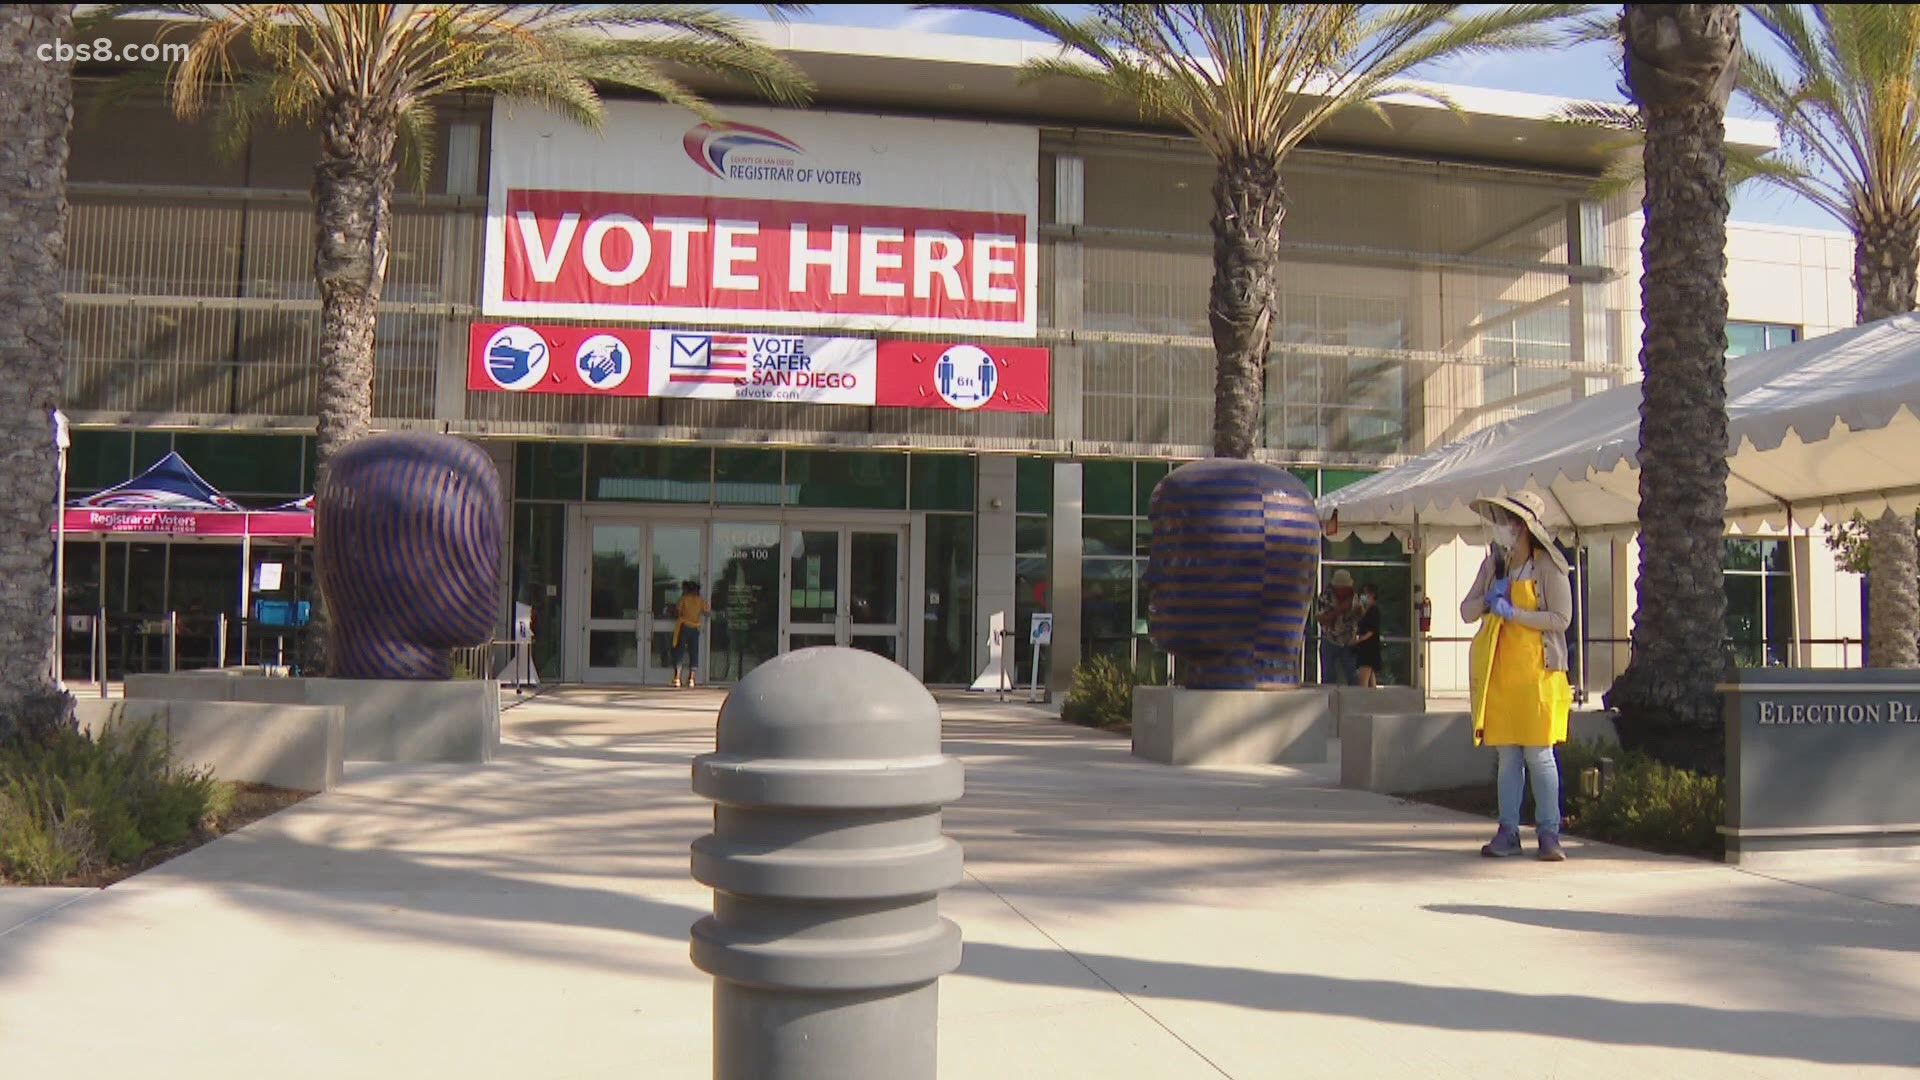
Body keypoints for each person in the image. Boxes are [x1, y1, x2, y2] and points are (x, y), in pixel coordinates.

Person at [1461, 490, 1575, 862]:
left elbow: (1561, 619)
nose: (1502, 527)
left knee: (1539, 754)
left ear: (1525, 527)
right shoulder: (1494, 565)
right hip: (1501, 673)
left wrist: (1514, 613)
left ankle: (1549, 833)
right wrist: (1489, 601)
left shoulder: (1549, 566)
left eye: (1508, 521)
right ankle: (1507, 831)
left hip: (1539, 672)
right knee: (1507, 756)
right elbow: (1466, 611)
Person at [1315, 569, 1360, 685]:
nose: (1346, 591)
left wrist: (1357, 611)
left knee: (1353, 676)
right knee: (1329, 677)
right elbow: (1321, 620)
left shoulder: (1355, 597)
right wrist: (1339, 610)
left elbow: (1364, 616)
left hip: (1349, 641)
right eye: (1343, 588)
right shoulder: (1325, 597)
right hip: (1330, 640)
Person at [671, 580, 708, 688]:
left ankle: (677, 678)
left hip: (684, 626)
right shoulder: (700, 600)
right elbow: (707, 611)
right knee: (694, 653)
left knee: (680, 652)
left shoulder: (684, 599)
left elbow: (678, 611)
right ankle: (691, 679)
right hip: (695, 628)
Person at [1353, 582, 1382, 688]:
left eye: (1366, 593)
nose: (1364, 596)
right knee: (1370, 680)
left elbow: (1371, 630)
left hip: (1369, 649)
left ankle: (1365, 700)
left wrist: (1359, 640)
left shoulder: (1374, 610)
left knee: (1363, 680)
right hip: (1365, 648)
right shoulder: (1367, 610)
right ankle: (1373, 700)